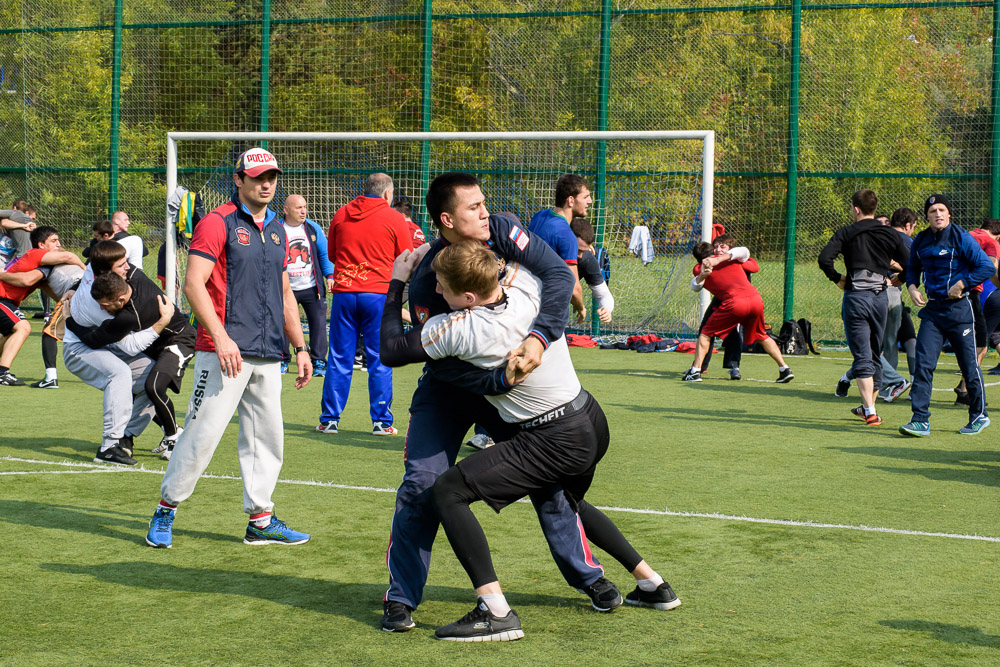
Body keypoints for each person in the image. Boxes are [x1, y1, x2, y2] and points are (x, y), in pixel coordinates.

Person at [378, 172, 622, 634]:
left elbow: (554, 273)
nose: (485, 213)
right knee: (422, 484)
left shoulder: (505, 230)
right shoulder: (430, 278)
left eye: (484, 204)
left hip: (507, 391)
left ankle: (589, 578)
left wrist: (539, 336)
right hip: (460, 391)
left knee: (547, 482)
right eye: (474, 208)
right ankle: (402, 596)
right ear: (447, 220)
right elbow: (431, 359)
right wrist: (493, 380)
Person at [145, 146, 313, 549]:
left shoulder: (278, 229)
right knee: (201, 435)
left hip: (269, 352)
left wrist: (301, 346)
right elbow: (193, 284)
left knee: (266, 438)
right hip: (221, 352)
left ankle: (261, 519)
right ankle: (166, 509)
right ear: (238, 180)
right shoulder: (217, 222)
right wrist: (221, 338)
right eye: (257, 177)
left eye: (271, 176)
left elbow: (285, 291)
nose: (266, 183)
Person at [316, 173, 413, 436]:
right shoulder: (394, 218)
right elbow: (404, 257)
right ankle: (381, 422)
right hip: (378, 295)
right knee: (379, 358)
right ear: (387, 194)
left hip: (345, 293)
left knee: (339, 357)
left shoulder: (341, 213)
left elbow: (333, 254)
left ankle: (329, 420)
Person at [66, 266, 196, 461]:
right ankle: (125, 438)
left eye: (104, 304)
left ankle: (172, 436)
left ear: (120, 299)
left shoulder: (128, 316)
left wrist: (68, 320)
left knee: (153, 386)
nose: (101, 309)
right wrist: (75, 286)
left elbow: (108, 343)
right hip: (148, 347)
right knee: (141, 383)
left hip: (179, 340)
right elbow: (100, 257)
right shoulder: (132, 275)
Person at [899, 194, 995, 437]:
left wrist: (963, 283)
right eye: (933, 211)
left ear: (949, 213)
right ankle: (920, 419)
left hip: (961, 311)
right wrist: (911, 286)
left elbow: (986, 267)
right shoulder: (920, 239)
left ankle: (979, 415)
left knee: (969, 365)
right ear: (927, 216)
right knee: (923, 364)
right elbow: (912, 267)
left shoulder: (961, 237)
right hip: (933, 312)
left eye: (942, 210)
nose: (938, 214)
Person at [63, 241, 160, 464]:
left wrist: (93, 251)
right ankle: (109, 446)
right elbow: (130, 346)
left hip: (105, 344)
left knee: (156, 376)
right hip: (78, 347)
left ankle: (126, 435)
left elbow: (134, 240)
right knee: (119, 374)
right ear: (105, 272)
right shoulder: (96, 304)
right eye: (121, 265)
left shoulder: (94, 266)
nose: (128, 267)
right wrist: (162, 322)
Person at [819, 190, 910, 425]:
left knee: (862, 354)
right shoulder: (890, 234)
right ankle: (868, 406)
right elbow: (911, 261)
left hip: (856, 297)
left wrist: (838, 278)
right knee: (873, 353)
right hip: (881, 297)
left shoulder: (847, 232)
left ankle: (870, 411)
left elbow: (824, 259)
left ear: (856, 209)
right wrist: (903, 277)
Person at [684, 242, 793, 383]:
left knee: (705, 333)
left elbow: (695, 286)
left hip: (735, 303)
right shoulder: (731, 261)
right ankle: (784, 369)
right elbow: (747, 256)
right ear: (713, 251)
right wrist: (703, 275)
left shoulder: (704, 266)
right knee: (761, 335)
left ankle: (695, 372)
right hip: (756, 300)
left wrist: (715, 262)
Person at [0, 226, 85, 386]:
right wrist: (86, 271)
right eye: (53, 241)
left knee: (9, 334)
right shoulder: (36, 254)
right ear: (41, 245)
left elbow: (47, 288)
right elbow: (68, 256)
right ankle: (3, 373)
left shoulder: (41, 268)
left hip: (8, 301)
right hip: (1, 298)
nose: (58, 244)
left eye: (58, 240)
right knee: (24, 328)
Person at [281, 194, 335, 377]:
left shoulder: (313, 228)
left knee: (319, 324)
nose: (303, 211)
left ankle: (319, 361)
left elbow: (324, 253)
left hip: (312, 287)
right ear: (286, 210)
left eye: (304, 207)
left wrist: (330, 275)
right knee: (282, 323)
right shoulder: (277, 228)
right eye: (298, 208)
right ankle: (282, 359)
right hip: (285, 289)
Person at [529, 174, 593, 322]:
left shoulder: (540, 216)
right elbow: (574, 287)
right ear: (571, 200)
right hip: (544, 305)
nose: (589, 201)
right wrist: (581, 307)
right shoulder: (566, 235)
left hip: (525, 292)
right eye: (586, 197)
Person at [953, 217, 1000, 404]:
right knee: (979, 344)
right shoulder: (991, 243)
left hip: (948, 292)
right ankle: (966, 390)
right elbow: (992, 270)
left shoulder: (964, 235)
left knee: (980, 340)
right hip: (975, 294)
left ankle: (963, 387)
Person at [694, 232, 746, 380]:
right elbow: (696, 282)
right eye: (715, 246)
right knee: (705, 330)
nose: (718, 250)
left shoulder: (739, 259)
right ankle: (699, 367)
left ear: (731, 248)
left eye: (722, 247)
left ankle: (734, 367)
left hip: (738, 301)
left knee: (733, 333)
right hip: (720, 299)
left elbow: (754, 266)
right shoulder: (709, 262)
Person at [570, 218, 615, 323]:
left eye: (584, 251)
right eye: (578, 250)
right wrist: (580, 305)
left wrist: (606, 309)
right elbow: (574, 291)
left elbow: (603, 295)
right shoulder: (551, 251)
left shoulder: (587, 258)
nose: (579, 256)